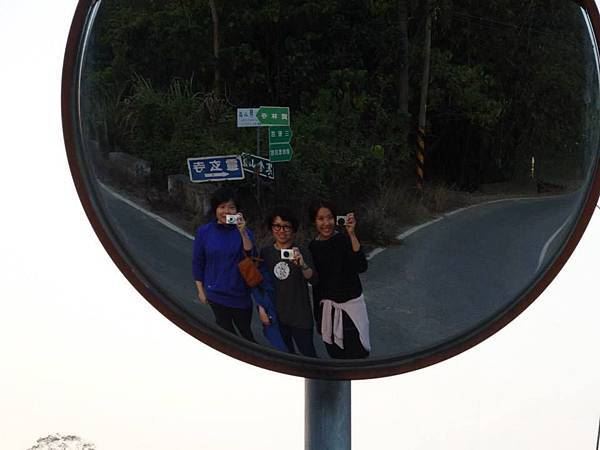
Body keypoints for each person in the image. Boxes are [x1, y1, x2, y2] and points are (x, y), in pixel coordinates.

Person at [192, 187, 257, 342]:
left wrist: (242, 232)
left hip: (240, 295)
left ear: (237, 211)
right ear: (215, 209)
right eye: (222, 207)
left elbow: (251, 257)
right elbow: (198, 262)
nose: (226, 211)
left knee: (246, 335)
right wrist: (200, 290)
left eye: (231, 207)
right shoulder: (204, 232)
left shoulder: (245, 233)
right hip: (215, 294)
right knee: (226, 335)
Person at [308, 201, 370, 359]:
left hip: (351, 310)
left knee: (357, 354)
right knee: (335, 356)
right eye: (320, 219)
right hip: (327, 311)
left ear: (335, 219)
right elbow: (317, 286)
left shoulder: (344, 239)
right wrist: (318, 319)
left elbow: (361, 266)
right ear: (314, 221)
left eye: (329, 218)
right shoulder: (313, 247)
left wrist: (352, 234)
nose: (326, 223)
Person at [259, 207, 318, 357]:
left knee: (309, 356)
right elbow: (261, 284)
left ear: (293, 229)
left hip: (300, 316)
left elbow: (313, 279)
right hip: (276, 315)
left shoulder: (302, 252)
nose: (282, 231)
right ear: (271, 228)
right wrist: (262, 308)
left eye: (286, 226)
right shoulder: (266, 253)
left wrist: (303, 265)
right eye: (277, 226)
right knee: (285, 356)